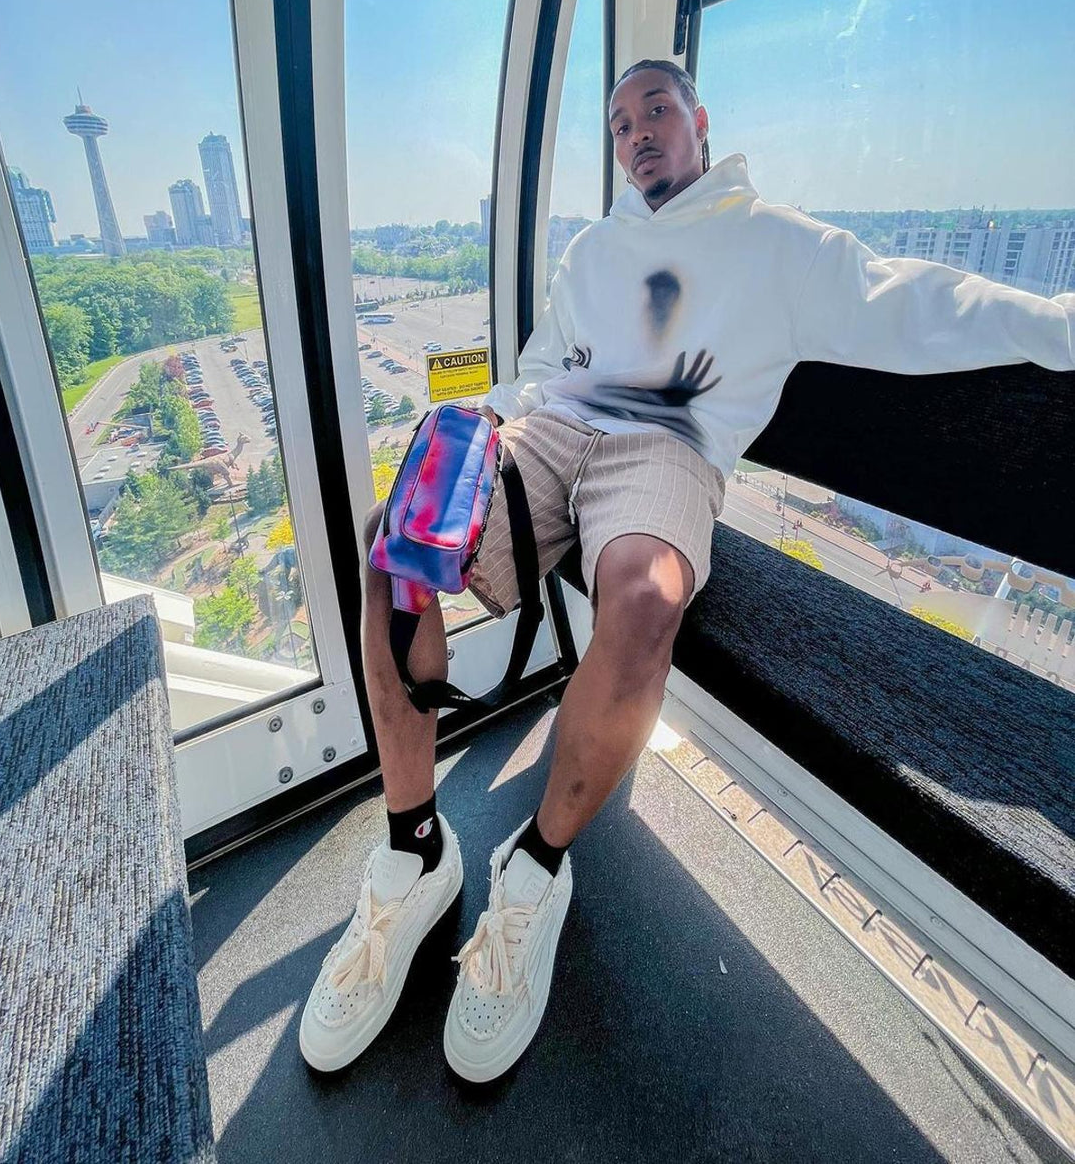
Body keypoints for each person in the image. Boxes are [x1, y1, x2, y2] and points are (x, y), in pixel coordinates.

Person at [300, 59, 1075, 1082]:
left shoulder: (775, 242)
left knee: (642, 596)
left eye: (655, 110)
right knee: (391, 538)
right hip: (553, 430)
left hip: (666, 450)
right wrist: (489, 428)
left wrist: (1058, 323)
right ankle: (413, 849)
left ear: (699, 120)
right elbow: (542, 368)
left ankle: (535, 865)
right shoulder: (592, 251)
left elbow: (913, 299)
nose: (637, 133)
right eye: (620, 123)